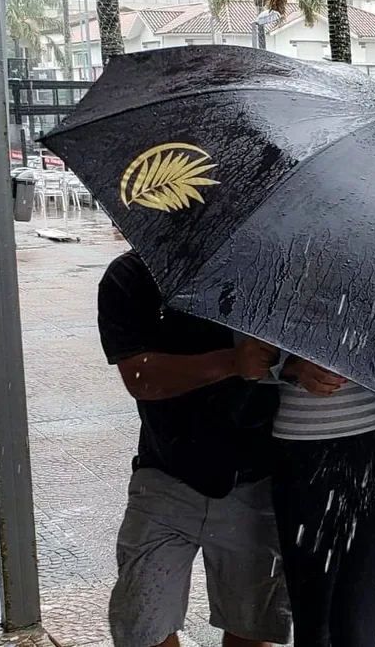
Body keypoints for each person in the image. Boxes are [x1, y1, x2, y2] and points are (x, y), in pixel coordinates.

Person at [99, 250, 291, 647]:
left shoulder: (269, 272)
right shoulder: (133, 274)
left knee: (252, 626)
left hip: (257, 479)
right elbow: (140, 377)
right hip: (164, 476)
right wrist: (231, 362)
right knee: (140, 627)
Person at [269, 353, 375, 647]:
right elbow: (246, 351)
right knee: (313, 629)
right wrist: (290, 367)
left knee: (355, 627)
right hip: (301, 454)